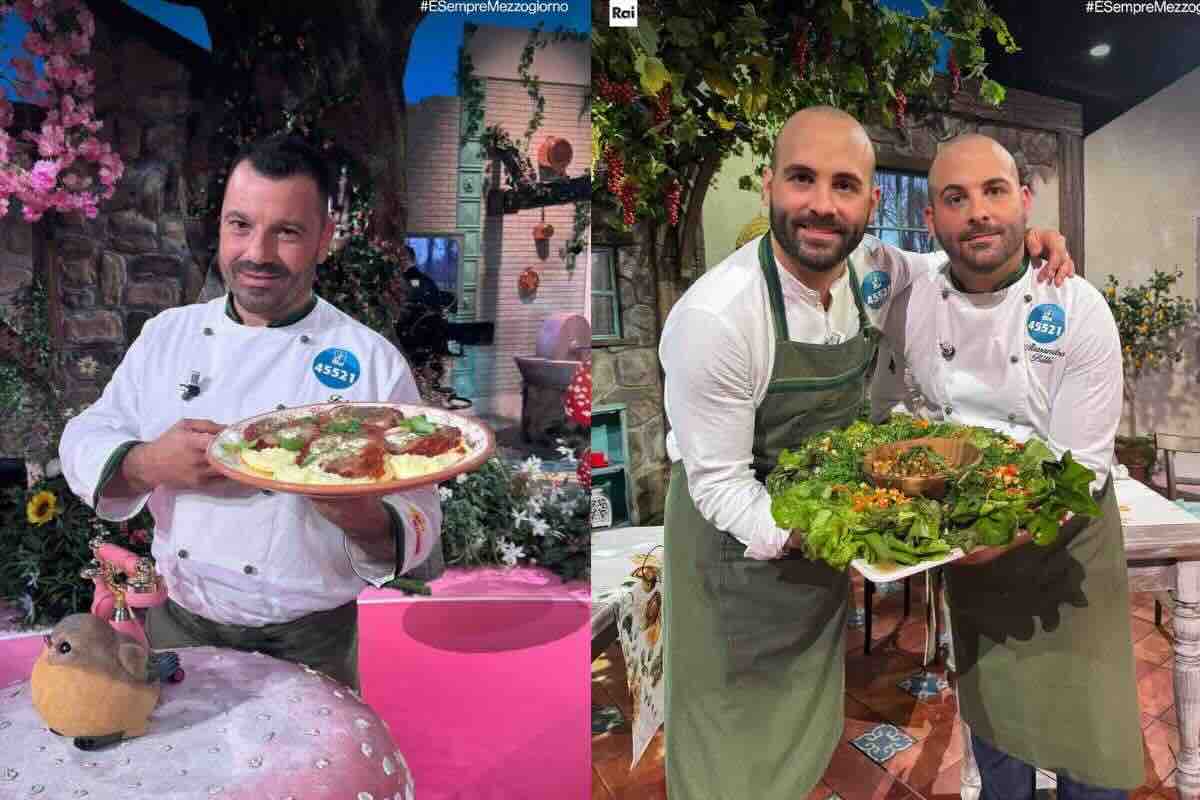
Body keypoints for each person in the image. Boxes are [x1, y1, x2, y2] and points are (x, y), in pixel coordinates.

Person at [658, 106, 1077, 799]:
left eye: (844, 185)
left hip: (811, 542)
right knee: (728, 745)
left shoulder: (875, 271)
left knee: (801, 728)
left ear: (872, 202)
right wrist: (827, 533)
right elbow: (721, 484)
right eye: (802, 179)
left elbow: (958, 258)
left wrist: (1026, 243)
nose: (822, 205)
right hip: (732, 550)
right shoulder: (717, 318)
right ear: (769, 186)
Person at [59, 134, 442, 691]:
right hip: (180, 622)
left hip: (314, 638)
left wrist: (357, 513)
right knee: (185, 773)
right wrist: (147, 464)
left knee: (310, 780)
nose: (258, 253)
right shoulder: (167, 337)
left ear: (323, 239)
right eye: (241, 225)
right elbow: (83, 436)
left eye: (286, 231)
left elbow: (420, 519)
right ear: (220, 225)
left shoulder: (370, 363)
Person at [872, 134, 1141, 798]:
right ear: (930, 220)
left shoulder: (1079, 309)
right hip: (974, 549)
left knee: (1091, 749)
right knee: (999, 741)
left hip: (1068, 546)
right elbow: (819, 246)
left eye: (995, 191)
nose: (979, 214)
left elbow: (1078, 469)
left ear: (1025, 200)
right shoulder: (908, 292)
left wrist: (977, 542)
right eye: (955, 199)